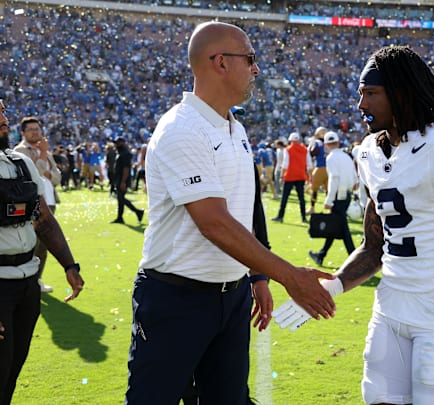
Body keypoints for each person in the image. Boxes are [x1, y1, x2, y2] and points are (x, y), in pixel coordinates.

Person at [274, 45, 434, 405]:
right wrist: (330, 288)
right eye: (360, 93)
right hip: (390, 309)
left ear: (402, 92)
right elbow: (373, 246)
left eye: (371, 93)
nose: (361, 104)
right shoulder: (368, 153)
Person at [125, 22, 336, 405]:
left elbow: (245, 206)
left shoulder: (233, 126)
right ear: (220, 62)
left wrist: (256, 276)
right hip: (177, 296)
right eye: (250, 58)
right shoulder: (182, 128)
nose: (256, 68)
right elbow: (214, 222)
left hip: (232, 297)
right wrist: (289, 275)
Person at [0, 86, 84, 405]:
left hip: (26, 286)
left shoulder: (20, 163)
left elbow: (43, 220)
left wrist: (69, 264)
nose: (4, 119)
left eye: (2, 111)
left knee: (11, 371)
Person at [13, 116, 61, 293]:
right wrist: (42, 158)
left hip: (49, 202)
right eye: (31, 129)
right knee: (30, 243)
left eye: (37, 129)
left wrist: (49, 172)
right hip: (31, 202)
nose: (35, 132)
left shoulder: (46, 152)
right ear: (23, 133)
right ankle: (26, 281)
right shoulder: (19, 151)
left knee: (45, 243)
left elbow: (57, 176)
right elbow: (31, 172)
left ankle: (37, 280)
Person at [308, 131, 358, 266]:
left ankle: (354, 258)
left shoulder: (331, 158)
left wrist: (329, 200)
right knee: (336, 225)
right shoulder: (346, 156)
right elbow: (354, 176)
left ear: (326, 145)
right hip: (345, 194)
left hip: (338, 196)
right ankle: (322, 254)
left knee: (342, 228)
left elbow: (334, 180)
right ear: (338, 142)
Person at [271, 131, 312, 223]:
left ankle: (280, 216)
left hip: (290, 176)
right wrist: (310, 177)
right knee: (301, 198)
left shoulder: (288, 149)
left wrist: (281, 176)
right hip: (301, 176)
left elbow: (285, 164)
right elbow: (309, 165)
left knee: (284, 198)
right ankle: (303, 217)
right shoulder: (305, 149)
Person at [110, 137, 144, 224]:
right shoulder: (122, 152)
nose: (115, 145)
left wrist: (123, 182)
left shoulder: (125, 153)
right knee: (120, 198)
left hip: (122, 178)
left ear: (121, 143)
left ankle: (138, 212)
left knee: (121, 198)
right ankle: (120, 217)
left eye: (117, 143)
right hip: (120, 178)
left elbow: (126, 168)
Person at [306, 127, 328, 215]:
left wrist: (311, 144)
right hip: (330, 168)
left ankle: (312, 208)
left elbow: (312, 152)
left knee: (314, 190)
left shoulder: (317, 142)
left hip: (319, 167)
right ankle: (331, 209)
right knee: (328, 190)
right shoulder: (328, 143)